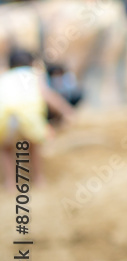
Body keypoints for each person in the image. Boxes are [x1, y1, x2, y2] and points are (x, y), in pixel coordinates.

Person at [0, 49, 75, 188]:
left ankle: (10, 183)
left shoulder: (4, 76)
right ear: (31, 63)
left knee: (6, 148)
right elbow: (47, 95)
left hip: (4, 116)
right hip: (29, 115)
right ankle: (39, 179)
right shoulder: (35, 74)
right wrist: (66, 111)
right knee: (33, 145)